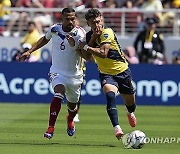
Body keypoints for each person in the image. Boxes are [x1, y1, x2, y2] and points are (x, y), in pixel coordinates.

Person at [19, 7, 86, 139]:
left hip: (75, 75)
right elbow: (45, 38)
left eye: (73, 18)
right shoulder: (55, 29)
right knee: (59, 93)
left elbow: (86, 55)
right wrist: (30, 51)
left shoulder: (80, 34)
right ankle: (51, 127)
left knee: (73, 106)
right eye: (68, 19)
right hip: (57, 71)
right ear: (62, 19)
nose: (71, 21)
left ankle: (70, 119)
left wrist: (76, 45)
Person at [78, 8, 137, 140]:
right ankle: (117, 129)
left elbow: (103, 54)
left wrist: (86, 46)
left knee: (131, 104)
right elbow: (87, 58)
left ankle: (129, 111)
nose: (96, 25)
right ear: (88, 24)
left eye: (98, 21)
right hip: (106, 74)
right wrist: (92, 39)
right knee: (110, 95)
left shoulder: (107, 32)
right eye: (93, 23)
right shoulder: (88, 36)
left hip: (122, 71)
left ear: (102, 20)